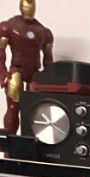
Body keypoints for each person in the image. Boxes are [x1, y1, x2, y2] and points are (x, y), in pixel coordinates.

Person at [0, 0, 52, 134]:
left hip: (34, 74)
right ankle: (9, 142)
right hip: (16, 71)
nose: (29, 7)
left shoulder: (44, 32)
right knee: (13, 108)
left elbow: (48, 60)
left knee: (34, 110)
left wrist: (50, 81)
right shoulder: (9, 26)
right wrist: (3, 73)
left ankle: (30, 143)